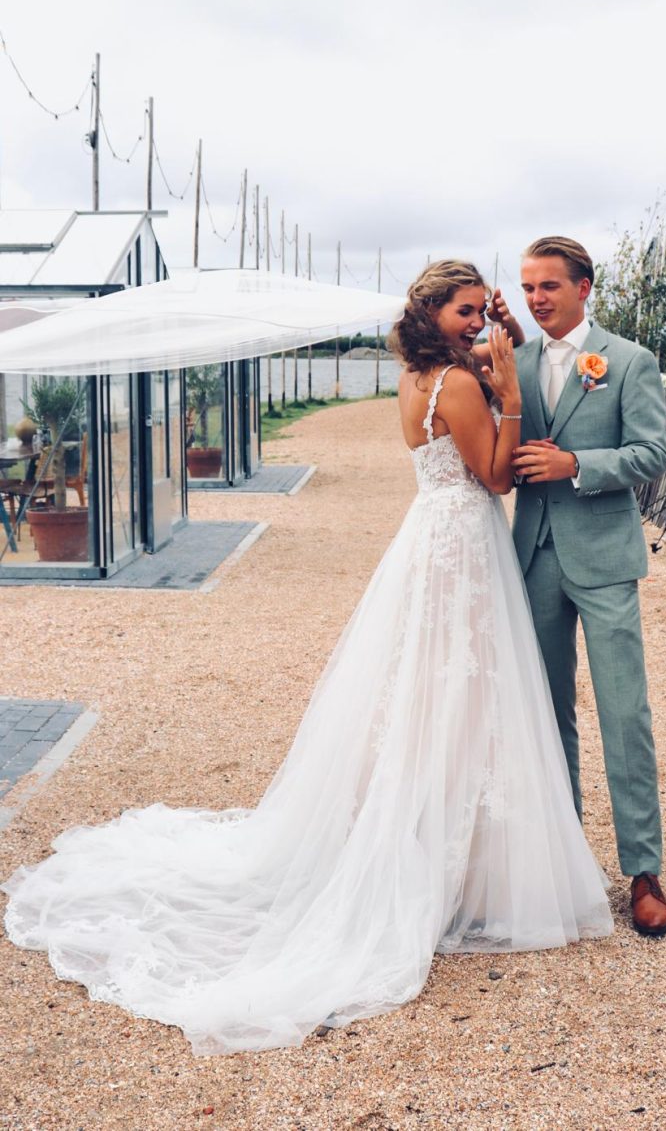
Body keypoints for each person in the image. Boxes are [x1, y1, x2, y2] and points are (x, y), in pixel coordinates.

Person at [2, 260, 612, 1057]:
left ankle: (457, 851)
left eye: (477, 311)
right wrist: (514, 400)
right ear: (433, 314)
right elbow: (495, 478)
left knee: (440, 693)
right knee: (460, 691)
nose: (475, 323)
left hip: (435, 540)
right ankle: (450, 863)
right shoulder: (460, 387)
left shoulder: (417, 376)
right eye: (464, 312)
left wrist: (497, 355)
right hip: (462, 543)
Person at [507, 237, 666, 937]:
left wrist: (577, 462)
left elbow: (652, 454)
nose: (537, 297)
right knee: (544, 715)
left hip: (604, 554)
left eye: (549, 285)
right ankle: (562, 858)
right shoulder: (511, 362)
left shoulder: (630, 361)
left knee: (623, 713)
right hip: (533, 555)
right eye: (527, 287)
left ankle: (643, 870)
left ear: (584, 287)